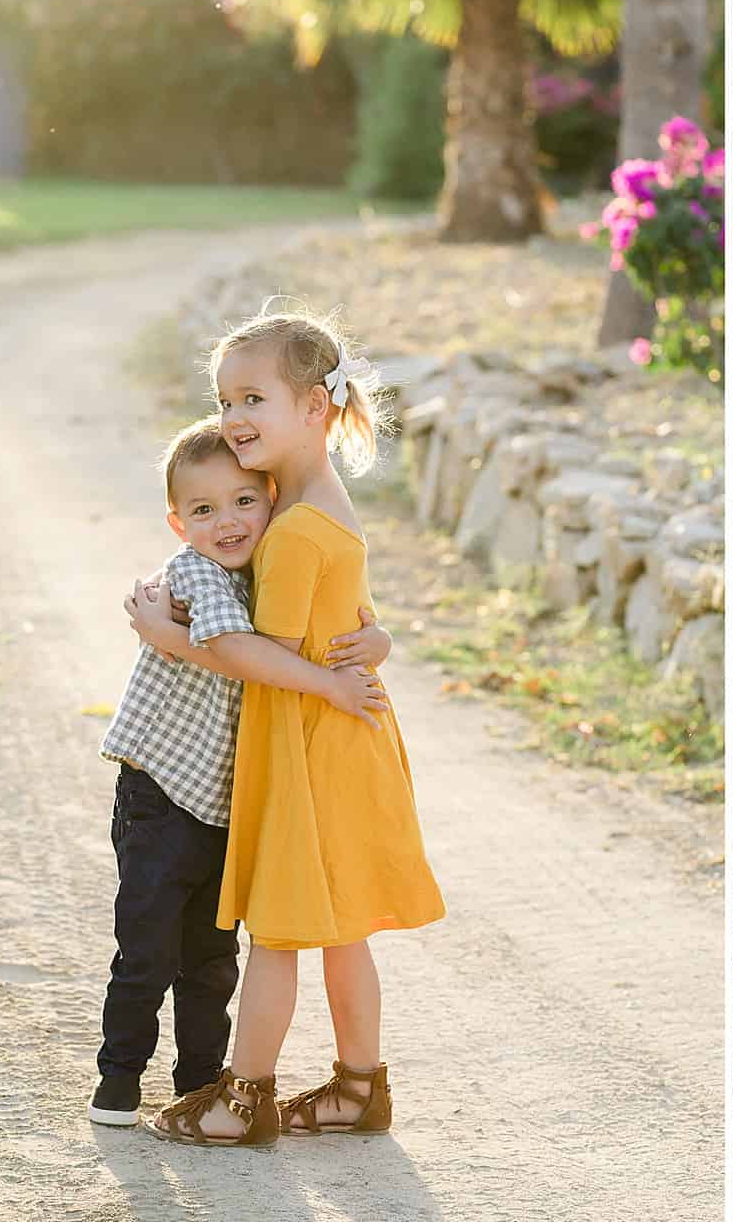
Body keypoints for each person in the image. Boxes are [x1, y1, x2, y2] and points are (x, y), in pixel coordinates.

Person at [128, 306, 446, 1147]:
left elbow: (256, 652)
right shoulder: (311, 502)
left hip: (312, 741)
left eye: (252, 399)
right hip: (344, 738)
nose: (233, 418)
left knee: (278, 930)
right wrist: (379, 641)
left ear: (313, 407)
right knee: (342, 927)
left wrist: (171, 638)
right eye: (225, 400)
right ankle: (359, 1086)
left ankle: (244, 1100)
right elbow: (352, 615)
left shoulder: (296, 527)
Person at [91, 418, 393, 1128]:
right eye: (203, 510)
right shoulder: (196, 572)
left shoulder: (275, 556)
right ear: (179, 523)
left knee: (212, 956)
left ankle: (200, 1082)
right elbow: (236, 648)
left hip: (225, 801)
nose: (226, 522)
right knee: (147, 949)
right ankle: (118, 1083)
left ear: (270, 499)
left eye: (243, 502)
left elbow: (336, 611)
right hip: (162, 790)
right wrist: (169, 634)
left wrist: (378, 637)